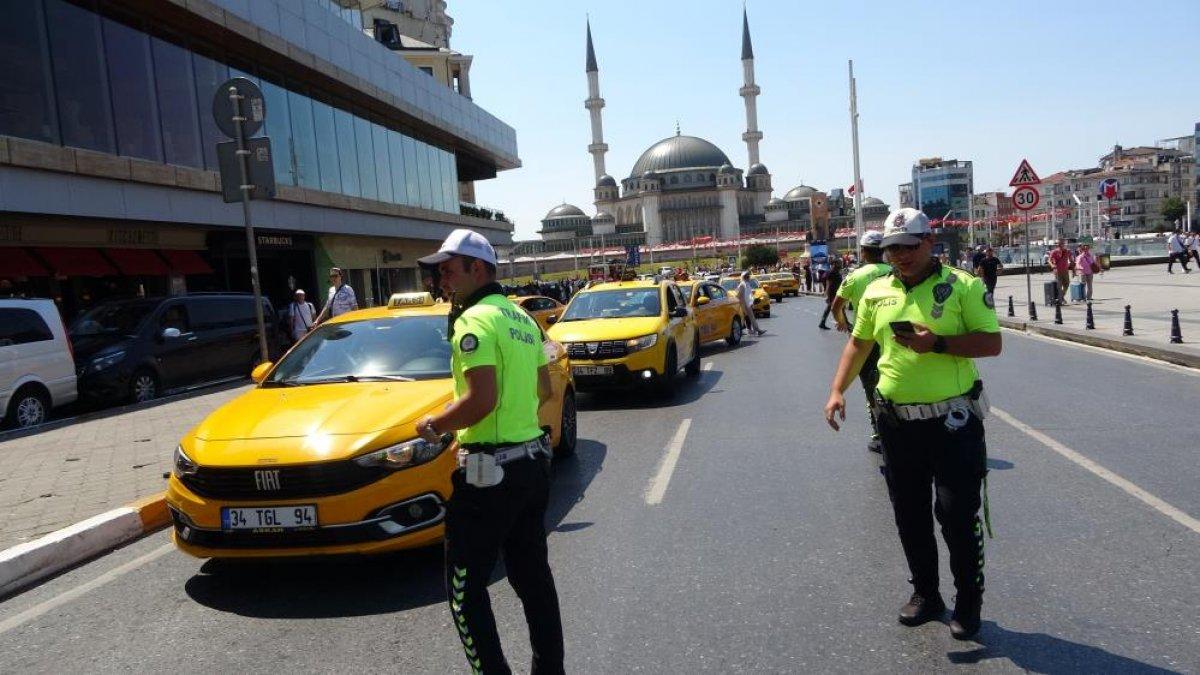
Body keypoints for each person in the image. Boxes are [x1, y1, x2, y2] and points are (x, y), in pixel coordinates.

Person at [824, 207, 1002, 640]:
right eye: (891, 249)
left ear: (929, 243)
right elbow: (859, 343)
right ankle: (926, 593)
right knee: (910, 514)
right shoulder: (877, 292)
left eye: (907, 247)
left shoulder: (963, 286)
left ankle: (968, 600)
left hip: (953, 423)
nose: (899, 256)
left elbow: (991, 343)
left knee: (957, 515)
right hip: (897, 424)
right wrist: (836, 391)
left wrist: (936, 343)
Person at [415, 229, 565, 675]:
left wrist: (435, 424)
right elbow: (541, 389)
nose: (442, 281)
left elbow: (480, 400)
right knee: (533, 578)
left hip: (489, 474)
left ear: (476, 269)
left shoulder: (474, 319)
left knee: (464, 591)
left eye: (448, 271)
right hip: (533, 464)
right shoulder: (521, 318)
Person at [829, 231, 892, 453]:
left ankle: (878, 433)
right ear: (883, 251)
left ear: (863, 252)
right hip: (894, 338)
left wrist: (844, 323)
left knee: (870, 387)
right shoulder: (895, 272)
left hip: (864, 339)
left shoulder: (854, 277)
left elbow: (836, 306)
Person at [736, 271, 766, 336]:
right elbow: (739, 296)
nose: (749, 277)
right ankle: (757, 330)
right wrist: (743, 306)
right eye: (748, 276)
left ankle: (753, 330)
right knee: (748, 318)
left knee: (748, 318)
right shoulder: (742, 285)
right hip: (744, 304)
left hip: (747, 304)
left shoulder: (746, 284)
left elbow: (747, 294)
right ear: (746, 277)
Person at [817, 259, 843, 330]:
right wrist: (827, 295)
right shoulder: (831, 272)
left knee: (830, 308)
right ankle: (843, 323)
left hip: (837, 292)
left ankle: (822, 323)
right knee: (838, 307)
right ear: (834, 264)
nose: (840, 265)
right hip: (832, 293)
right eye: (839, 263)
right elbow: (828, 284)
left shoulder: (837, 272)